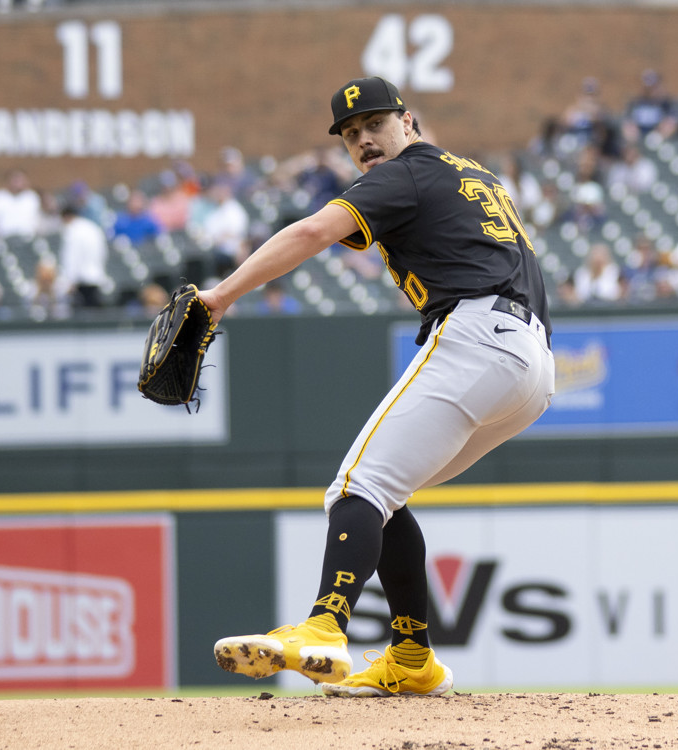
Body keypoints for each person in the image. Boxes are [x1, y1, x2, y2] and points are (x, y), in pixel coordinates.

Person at [203, 76, 555, 698]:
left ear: (408, 122)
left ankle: (323, 626)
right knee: (385, 492)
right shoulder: (466, 171)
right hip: (531, 365)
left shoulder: (406, 173)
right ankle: (413, 657)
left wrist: (221, 295)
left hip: (478, 335)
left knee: (356, 485)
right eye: (352, 134)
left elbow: (313, 232)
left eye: (376, 124)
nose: (365, 140)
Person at [59, 203, 109, 308]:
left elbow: (71, 257)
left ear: (66, 216)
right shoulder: (93, 227)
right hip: (97, 278)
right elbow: (104, 253)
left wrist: (69, 280)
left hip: (81, 282)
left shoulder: (73, 230)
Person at [0, 168, 41, 239]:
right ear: (8, 180)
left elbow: (37, 220)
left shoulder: (31, 197)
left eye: (20, 179)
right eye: (15, 179)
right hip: (4, 239)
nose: (17, 182)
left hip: (27, 239)